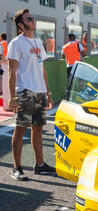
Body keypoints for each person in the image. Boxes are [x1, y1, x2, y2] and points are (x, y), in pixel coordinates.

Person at [7, 8, 56, 181]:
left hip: (40, 92)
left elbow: (42, 69)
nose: (33, 20)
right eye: (29, 19)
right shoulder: (16, 43)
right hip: (25, 92)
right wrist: (12, 97)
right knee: (20, 130)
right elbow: (11, 71)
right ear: (21, 25)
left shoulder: (37, 42)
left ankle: (40, 165)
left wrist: (48, 93)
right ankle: (17, 168)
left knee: (38, 129)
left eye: (32, 18)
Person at [1, 33, 10, 111]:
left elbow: (1, 55)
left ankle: (6, 106)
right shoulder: (10, 42)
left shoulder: (2, 44)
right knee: (10, 86)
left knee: (5, 86)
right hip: (11, 64)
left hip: (4, 64)